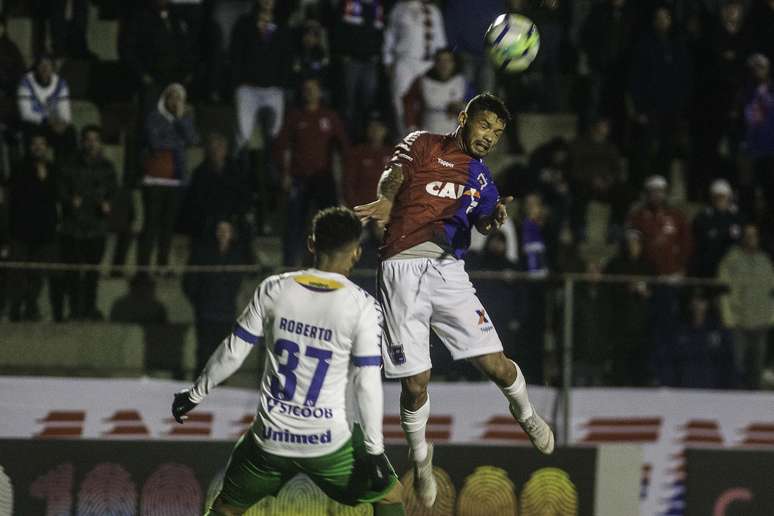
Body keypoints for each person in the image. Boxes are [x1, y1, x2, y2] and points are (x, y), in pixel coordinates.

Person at [354, 93, 554, 508]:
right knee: (415, 385)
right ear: (464, 118)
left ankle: (528, 415)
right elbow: (393, 175)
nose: (489, 138)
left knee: (497, 365)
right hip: (401, 267)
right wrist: (389, 199)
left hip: (448, 271)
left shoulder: (482, 178)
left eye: (498, 133)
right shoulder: (423, 143)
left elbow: (480, 220)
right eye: (485, 126)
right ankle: (421, 459)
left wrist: (492, 218)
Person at [171, 207, 406, 516]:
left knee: (226, 508)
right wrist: (374, 451)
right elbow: (367, 382)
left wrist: (194, 395)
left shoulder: (273, 289)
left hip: (270, 439)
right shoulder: (362, 307)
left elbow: (233, 351)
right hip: (329, 443)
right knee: (391, 497)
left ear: (311, 244)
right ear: (357, 253)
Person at [274, 77, 348, 266]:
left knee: (330, 221)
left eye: (313, 89)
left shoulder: (329, 116)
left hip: (323, 177)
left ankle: (332, 260)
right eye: (306, 89)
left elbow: (343, 146)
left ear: (320, 91)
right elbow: (282, 146)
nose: (310, 92)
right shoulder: (295, 116)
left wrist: (343, 176)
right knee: (294, 223)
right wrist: (285, 174)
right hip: (300, 178)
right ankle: (289, 263)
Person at [137, 83, 199, 274]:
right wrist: (177, 142)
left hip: (176, 180)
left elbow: (193, 139)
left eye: (178, 98)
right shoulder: (154, 117)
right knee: (151, 225)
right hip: (154, 179)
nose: (175, 101)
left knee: (168, 226)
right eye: (171, 97)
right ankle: (143, 266)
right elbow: (155, 142)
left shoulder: (185, 118)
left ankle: (162, 264)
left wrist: (180, 120)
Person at [59, 125, 118, 320]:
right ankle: (75, 310)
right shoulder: (70, 165)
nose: (91, 143)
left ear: (100, 143)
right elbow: (61, 191)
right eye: (88, 139)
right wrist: (70, 201)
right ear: (82, 142)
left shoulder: (107, 167)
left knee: (92, 274)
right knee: (74, 274)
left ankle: (90, 309)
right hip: (73, 228)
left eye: (95, 139)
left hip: (96, 229)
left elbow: (113, 193)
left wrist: (108, 204)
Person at [7, 133, 62, 321]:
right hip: (21, 229)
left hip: (44, 230)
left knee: (37, 273)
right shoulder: (19, 168)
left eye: (42, 144)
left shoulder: (53, 169)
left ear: (47, 147)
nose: (38, 147)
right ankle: (15, 308)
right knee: (17, 272)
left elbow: (56, 195)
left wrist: (45, 179)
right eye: (34, 144)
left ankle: (31, 306)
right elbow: (15, 198)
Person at [183, 220, 244, 373]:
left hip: (226, 312)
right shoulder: (203, 252)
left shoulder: (236, 254)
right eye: (220, 229)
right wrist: (199, 301)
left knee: (223, 353)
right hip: (206, 311)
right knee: (204, 352)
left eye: (227, 230)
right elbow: (189, 281)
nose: (223, 233)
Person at [718, 223, 774, 389]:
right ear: (742, 238)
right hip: (738, 323)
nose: (751, 239)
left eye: (754, 235)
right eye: (748, 235)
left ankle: (753, 404)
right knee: (737, 367)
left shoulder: (765, 261)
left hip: (760, 322)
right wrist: (727, 316)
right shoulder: (731, 260)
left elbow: (772, 290)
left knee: (756, 369)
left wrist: (771, 316)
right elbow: (723, 290)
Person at [383, 0, 447, 134]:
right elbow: (390, 35)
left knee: (426, 102)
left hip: (428, 63)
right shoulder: (400, 8)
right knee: (400, 102)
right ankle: (405, 138)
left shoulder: (434, 12)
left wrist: (441, 62)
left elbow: (440, 40)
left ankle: (424, 141)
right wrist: (388, 60)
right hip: (405, 61)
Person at [16, 54, 77, 161]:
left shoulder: (60, 83)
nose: (45, 68)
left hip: (53, 124)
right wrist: (48, 120)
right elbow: (25, 113)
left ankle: (64, 169)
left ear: (53, 68)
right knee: (30, 130)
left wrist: (62, 123)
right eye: (41, 65)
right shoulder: (26, 82)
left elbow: (65, 113)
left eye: (48, 65)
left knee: (69, 132)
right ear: (36, 67)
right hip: (35, 123)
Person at [402, 48, 470, 134]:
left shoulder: (461, 82)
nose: (444, 65)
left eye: (447, 61)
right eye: (440, 61)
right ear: (435, 63)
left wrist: (463, 106)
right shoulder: (423, 82)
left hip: (452, 135)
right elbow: (408, 102)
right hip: (428, 133)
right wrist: (411, 126)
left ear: (454, 63)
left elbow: (473, 106)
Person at [691, 179, 742, 278]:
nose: (720, 200)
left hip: (732, 267)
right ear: (712, 198)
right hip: (710, 267)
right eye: (717, 197)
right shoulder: (704, 217)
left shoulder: (736, 217)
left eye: (723, 197)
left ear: (729, 197)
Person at [342, 113, 392, 210]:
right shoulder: (357, 153)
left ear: (385, 130)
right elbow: (348, 183)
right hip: (363, 210)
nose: (376, 131)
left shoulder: (393, 153)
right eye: (372, 127)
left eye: (379, 128)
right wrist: (356, 207)